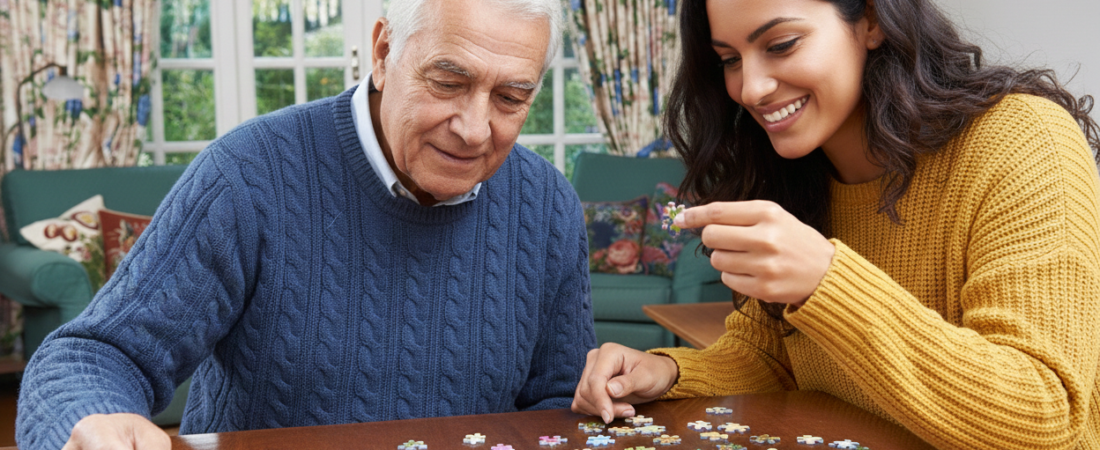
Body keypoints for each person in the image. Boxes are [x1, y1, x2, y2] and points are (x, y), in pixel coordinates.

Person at [17, 0, 597, 448]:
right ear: (383, 50)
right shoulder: (247, 174)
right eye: (448, 82)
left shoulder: (548, 206)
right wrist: (93, 420)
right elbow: (91, 356)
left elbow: (556, 405)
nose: (474, 128)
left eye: (510, 97)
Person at [572, 0, 1100, 448]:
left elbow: (1047, 413)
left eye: (780, 45)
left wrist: (829, 282)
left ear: (871, 19)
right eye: (730, 59)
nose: (750, 88)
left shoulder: (1023, 142)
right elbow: (770, 357)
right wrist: (667, 373)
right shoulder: (791, 172)